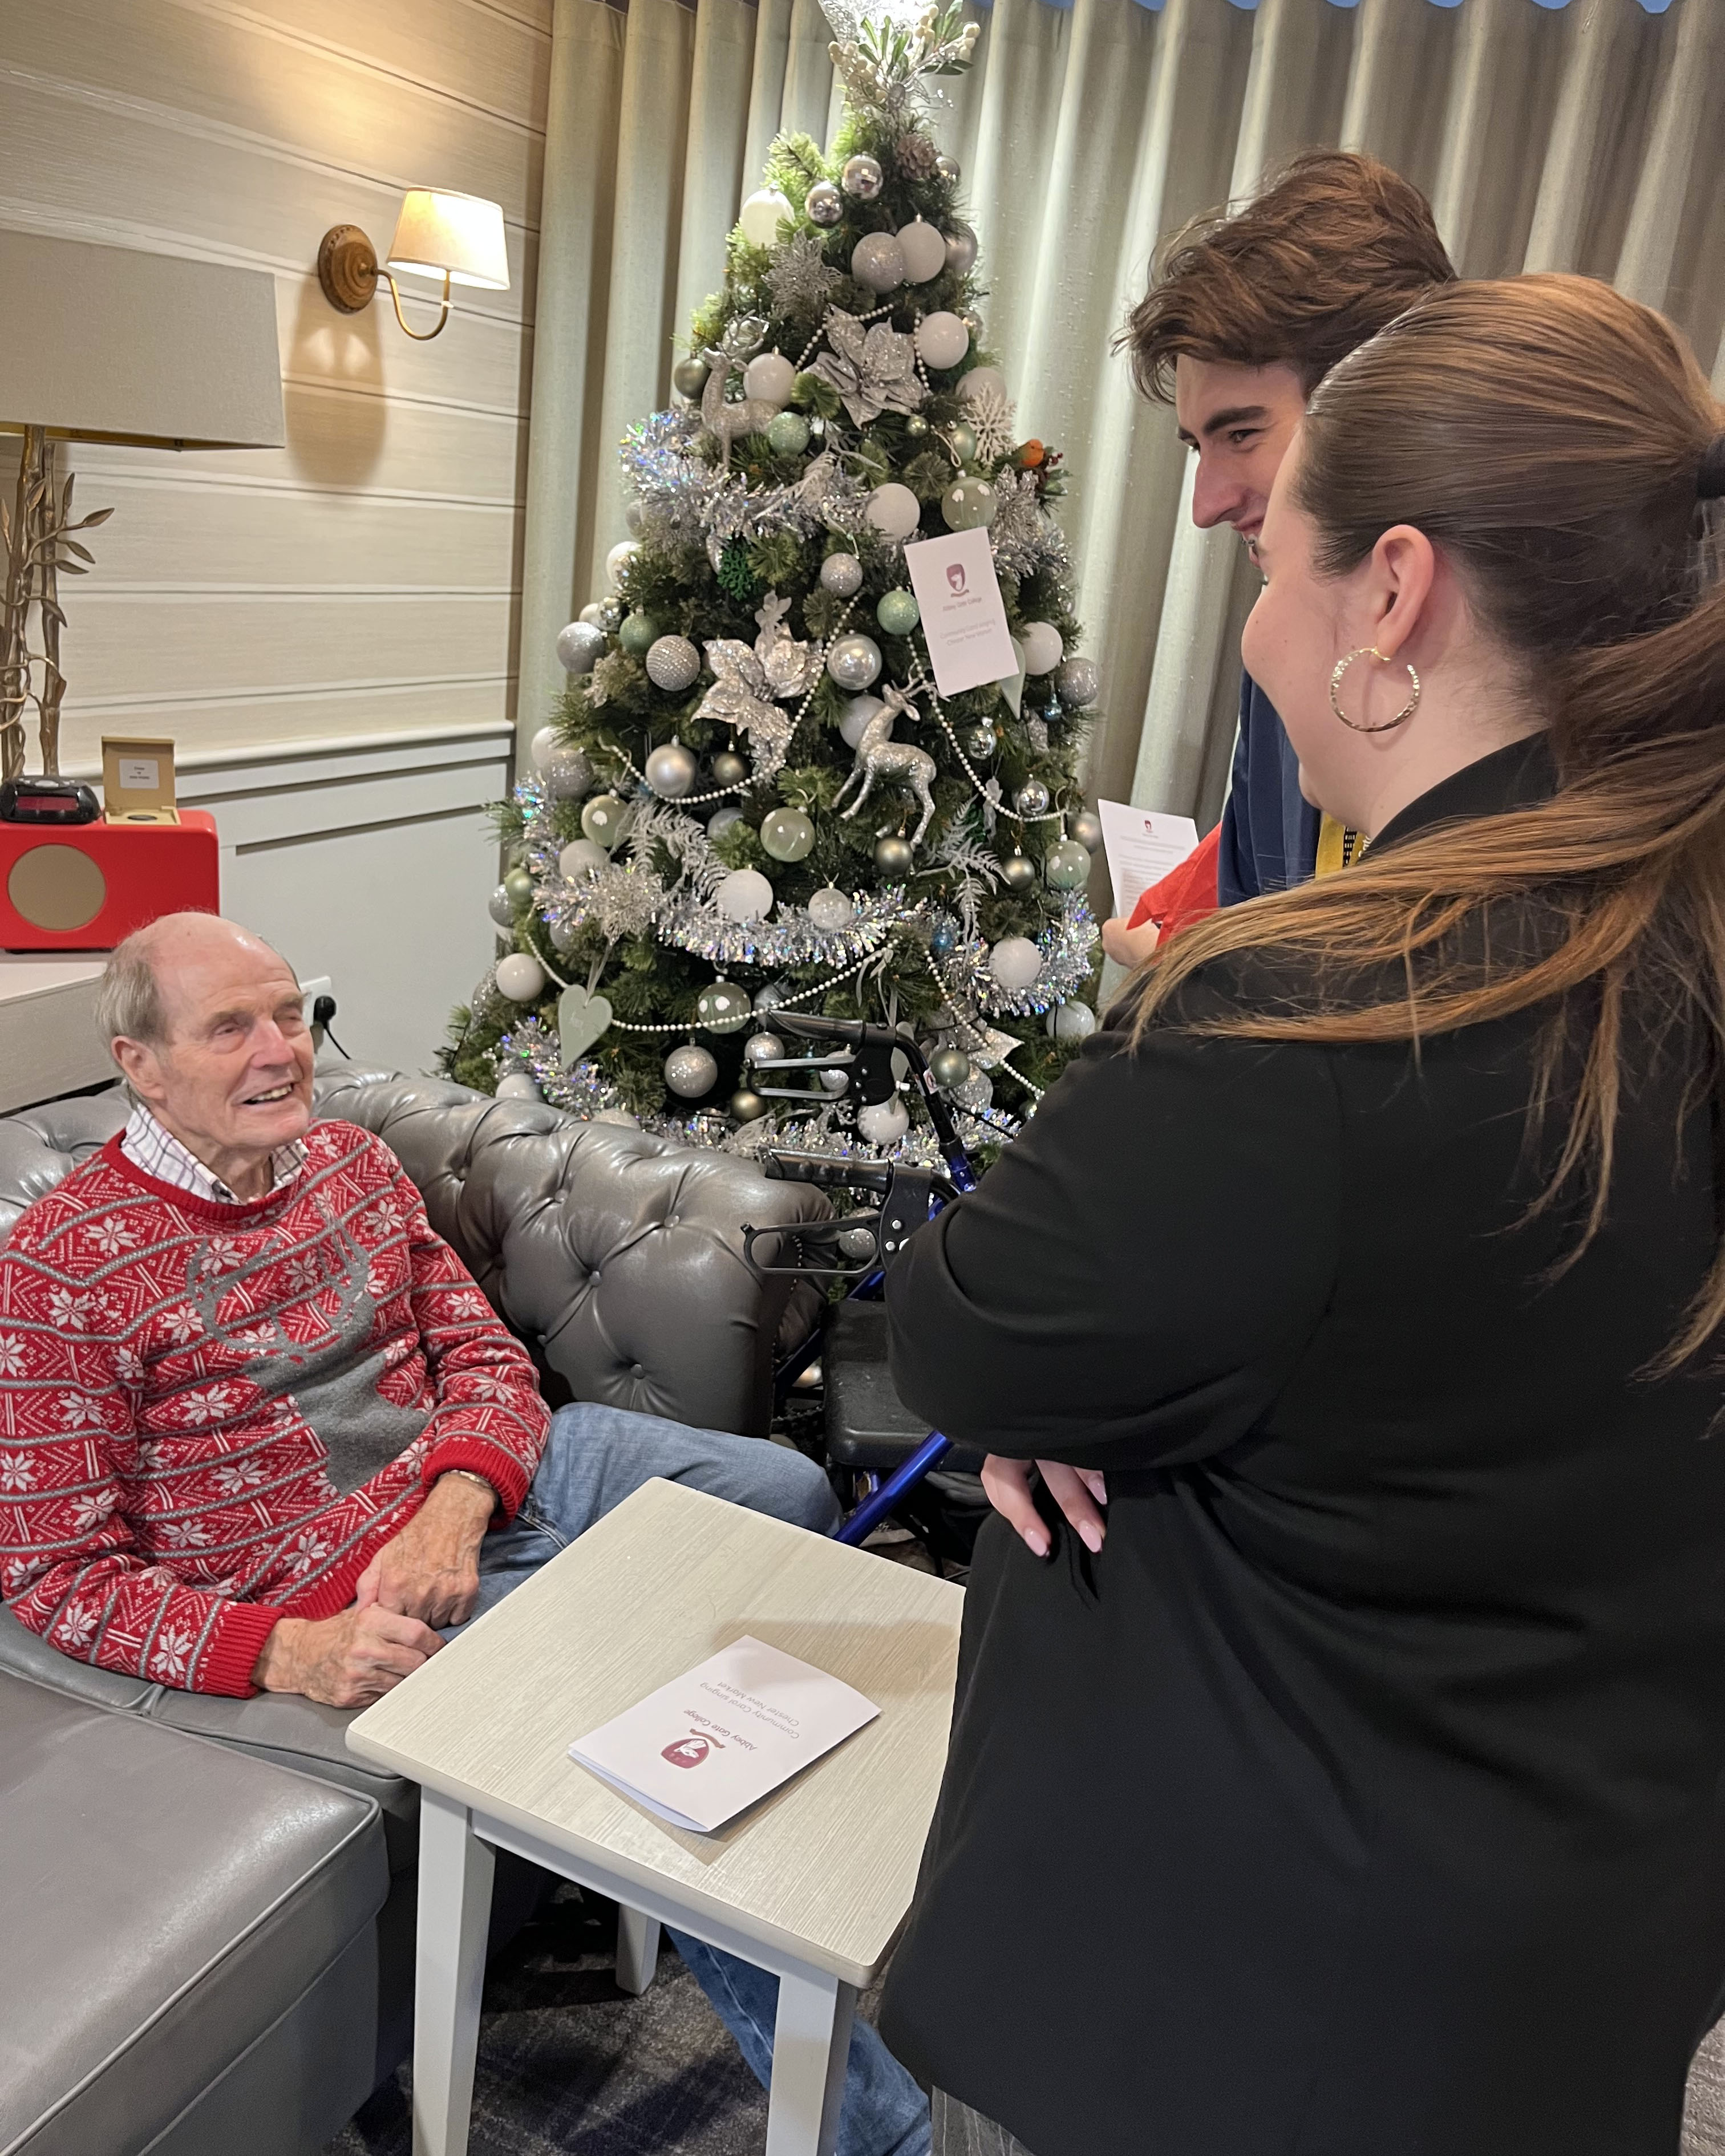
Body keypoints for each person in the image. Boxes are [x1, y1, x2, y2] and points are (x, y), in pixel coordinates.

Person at [876, 275, 1725, 2155]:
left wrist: (1067, 1383)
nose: (1248, 598)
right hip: (1570, 1968)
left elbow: (951, 1327)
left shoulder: (1317, 1021)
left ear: (1393, 591)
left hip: (1229, 2018)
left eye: (1273, 558)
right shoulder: (1674, 937)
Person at [0, 910, 928, 2156]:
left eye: (287, 1015)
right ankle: (883, 2130)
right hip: (340, 1589)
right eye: (230, 1029)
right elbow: (52, 1577)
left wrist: (457, 1499)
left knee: (782, 1495)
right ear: (142, 1064)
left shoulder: (347, 1162)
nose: (279, 1050)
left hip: (483, 1489)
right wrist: (286, 1651)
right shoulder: (60, 1271)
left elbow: (483, 1355)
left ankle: (842, 1844)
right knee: (670, 1757)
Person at [1100, 148, 1455, 971]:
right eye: (1198, 446)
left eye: (1242, 433)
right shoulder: (1280, 652)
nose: (1205, 505)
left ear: (1378, 412)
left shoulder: (1517, 673)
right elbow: (1250, 910)